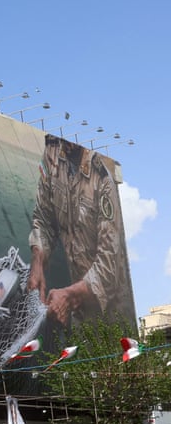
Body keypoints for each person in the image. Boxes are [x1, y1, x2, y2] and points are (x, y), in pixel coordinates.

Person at [28, 134, 134, 326]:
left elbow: (108, 263)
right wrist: (38, 260)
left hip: (115, 317)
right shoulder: (52, 152)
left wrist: (69, 296)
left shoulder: (102, 177)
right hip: (79, 314)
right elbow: (43, 218)